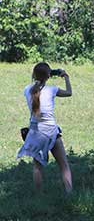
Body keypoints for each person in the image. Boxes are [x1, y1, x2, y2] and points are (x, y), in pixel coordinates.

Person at [17, 62, 73, 193]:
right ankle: (69, 194)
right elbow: (69, 93)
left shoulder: (27, 90)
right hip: (51, 132)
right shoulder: (52, 90)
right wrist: (66, 77)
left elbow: (36, 87)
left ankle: (39, 196)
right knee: (64, 165)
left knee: (37, 167)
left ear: (34, 75)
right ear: (49, 76)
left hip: (35, 132)